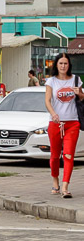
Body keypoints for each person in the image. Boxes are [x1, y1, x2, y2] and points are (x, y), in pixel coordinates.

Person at [44, 52, 83, 198]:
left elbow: (82, 98)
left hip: (72, 122)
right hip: (55, 124)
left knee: (68, 154)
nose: (63, 66)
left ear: (69, 65)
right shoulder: (51, 81)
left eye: (65, 63)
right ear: (56, 65)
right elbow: (47, 101)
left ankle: (65, 186)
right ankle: (55, 181)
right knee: (55, 156)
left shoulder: (76, 80)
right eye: (61, 63)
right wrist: (53, 114)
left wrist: (79, 93)